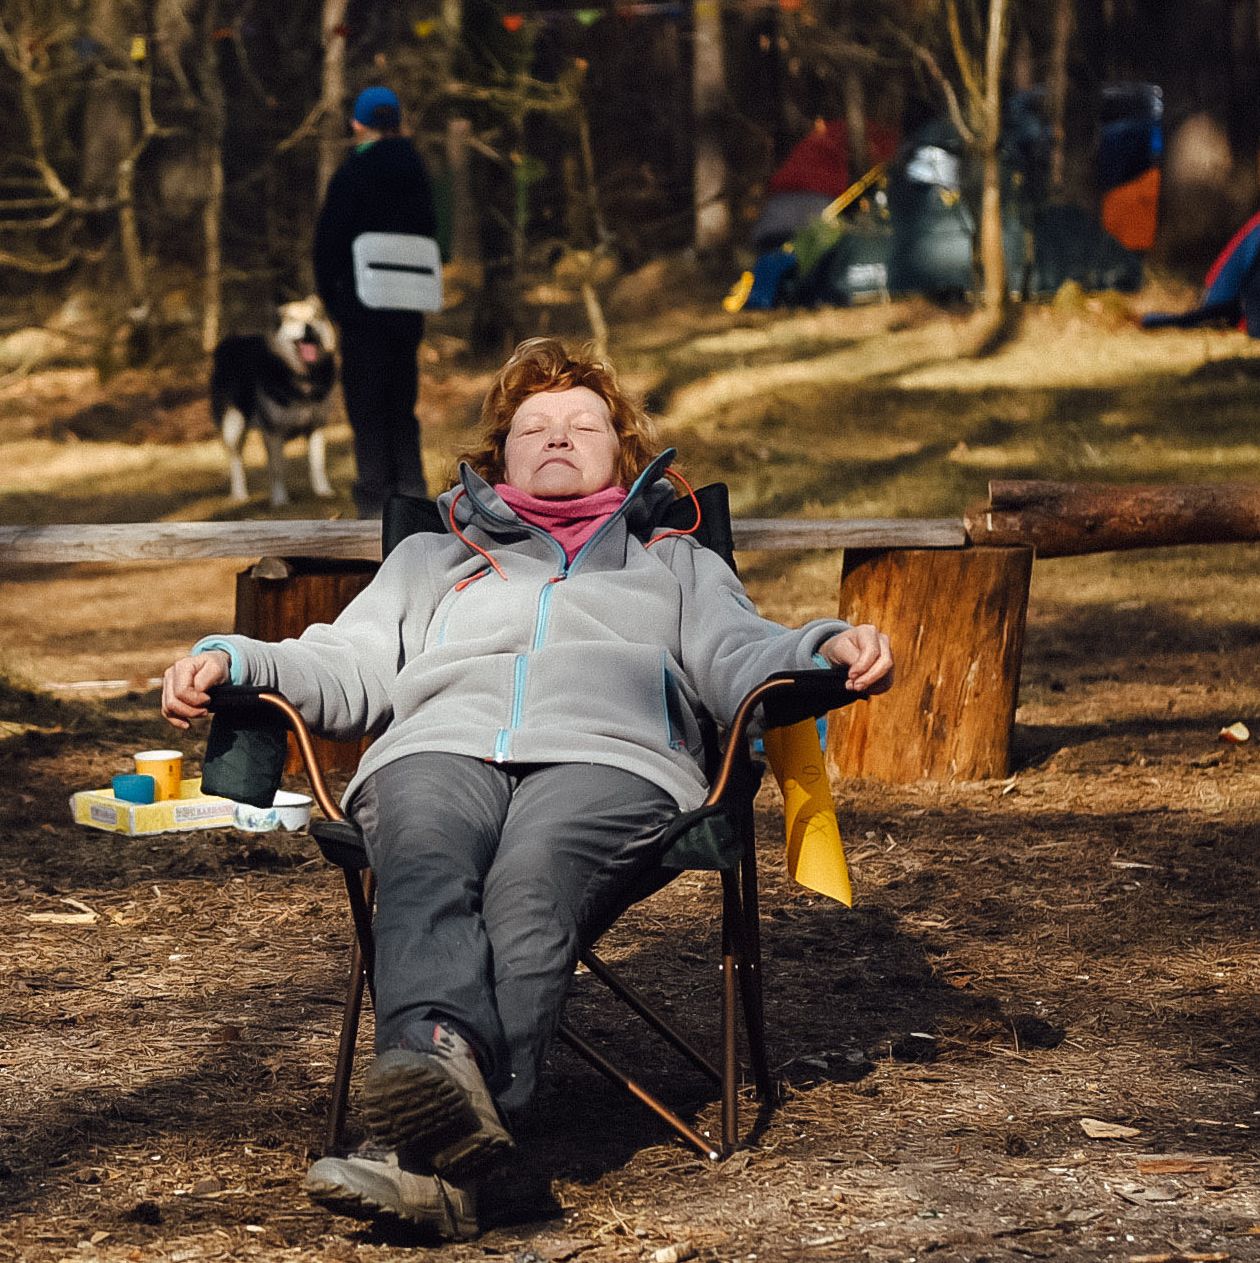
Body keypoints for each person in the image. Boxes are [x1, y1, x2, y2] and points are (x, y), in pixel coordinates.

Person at [160, 338, 896, 1239]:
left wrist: (820, 646)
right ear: (497, 456)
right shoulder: (431, 557)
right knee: (425, 858)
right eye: (533, 425)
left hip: (610, 756)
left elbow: (738, 651)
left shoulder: (673, 560)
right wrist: (234, 658)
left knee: (531, 880)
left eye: (583, 422)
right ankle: (447, 1128)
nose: (557, 435)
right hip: (436, 746)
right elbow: (346, 663)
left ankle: (421, 1138)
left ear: (621, 452)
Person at [312, 85, 439, 516]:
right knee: (401, 405)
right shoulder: (417, 172)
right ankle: (413, 498)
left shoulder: (351, 175)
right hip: (407, 309)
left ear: (357, 124)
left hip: (362, 311)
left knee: (367, 407)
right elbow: (432, 232)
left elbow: (327, 246)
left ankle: (375, 506)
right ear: (398, 121)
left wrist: (336, 304)